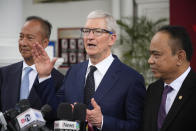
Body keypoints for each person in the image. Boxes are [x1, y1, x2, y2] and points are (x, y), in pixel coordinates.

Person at [32, 10, 146, 131]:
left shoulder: (131, 79)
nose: (90, 37)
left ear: (112, 39)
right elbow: (55, 112)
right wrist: (44, 76)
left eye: (97, 31)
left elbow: (137, 126)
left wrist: (102, 121)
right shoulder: (73, 72)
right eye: (86, 31)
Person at [0, 16, 64, 112]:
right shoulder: (4, 73)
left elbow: (55, 114)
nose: (23, 43)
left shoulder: (58, 80)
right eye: (21, 37)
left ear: (45, 43)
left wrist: (43, 77)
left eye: (30, 38)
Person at [142, 25, 196, 131]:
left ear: (180, 57)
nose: (150, 60)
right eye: (150, 54)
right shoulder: (153, 90)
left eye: (156, 55)